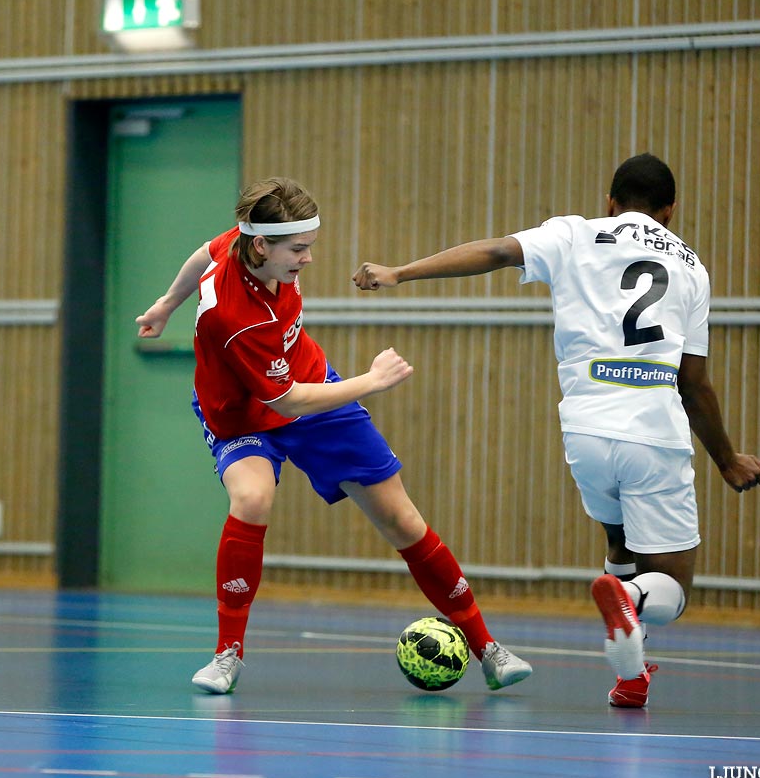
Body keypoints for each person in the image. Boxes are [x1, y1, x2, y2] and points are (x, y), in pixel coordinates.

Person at [352, 153, 760, 709]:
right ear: (670, 211)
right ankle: (635, 600)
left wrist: (400, 272)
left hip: (586, 429)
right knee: (670, 589)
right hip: (653, 431)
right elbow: (694, 384)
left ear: (609, 201)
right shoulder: (692, 268)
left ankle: (631, 676)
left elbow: (497, 252)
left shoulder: (575, 234)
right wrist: (726, 459)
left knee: (619, 538)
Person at [136, 176, 533, 695]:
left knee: (401, 518)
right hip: (244, 413)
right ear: (261, 245)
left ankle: (489, 650)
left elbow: (200, 255)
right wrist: (372, 382)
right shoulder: (236, 318)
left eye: (309, 246)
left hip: (309, 384)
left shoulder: (240, 244)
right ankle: (226, 654)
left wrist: (166, 302)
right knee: (252, 498)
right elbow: (286, 403)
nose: (306, 259)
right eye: (298, 250)